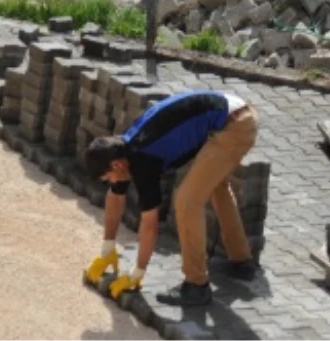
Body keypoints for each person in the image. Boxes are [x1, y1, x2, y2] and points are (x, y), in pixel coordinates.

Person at [82, 89, 258, 307]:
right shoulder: (123, 147)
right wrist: (108, 247)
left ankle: (197, 286)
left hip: (234, 127)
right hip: (231, 115)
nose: (111, 182)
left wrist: (138, 273)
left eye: (108, 177)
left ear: (117, 164)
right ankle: (242, 261)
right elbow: (115, 197)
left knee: (186, 201)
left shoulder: (143, 161)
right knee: (215, 185)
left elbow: (150, 224)